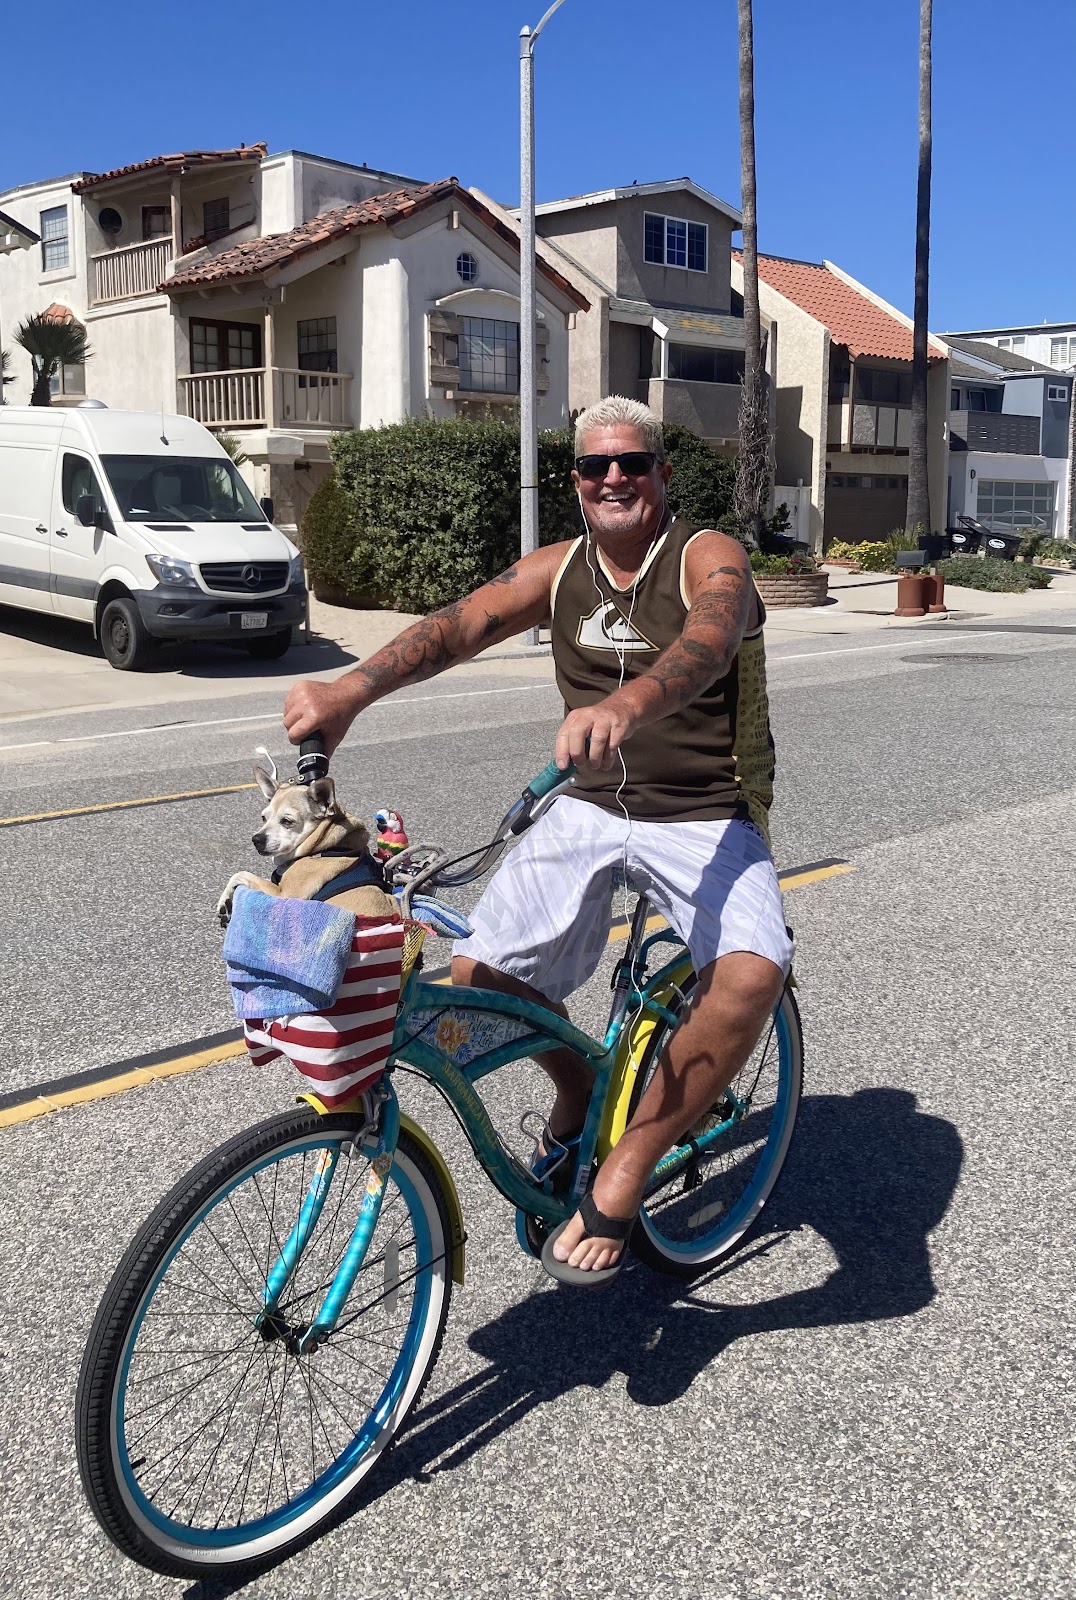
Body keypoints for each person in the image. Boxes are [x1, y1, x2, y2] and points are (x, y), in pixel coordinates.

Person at [283, 395, 793, 1286]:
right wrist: (349, 692)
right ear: (577, 481)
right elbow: (462, 624)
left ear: (663, 473)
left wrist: (629, 703)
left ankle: (624, 1172)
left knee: (752, 973)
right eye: (595, 466)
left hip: (705, 812)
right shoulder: (561, 569)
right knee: (479, 978)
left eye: (633, 462)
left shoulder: (704, 553)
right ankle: (577, 1086)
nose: (613, 478)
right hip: (585, 803)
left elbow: (712, 637)